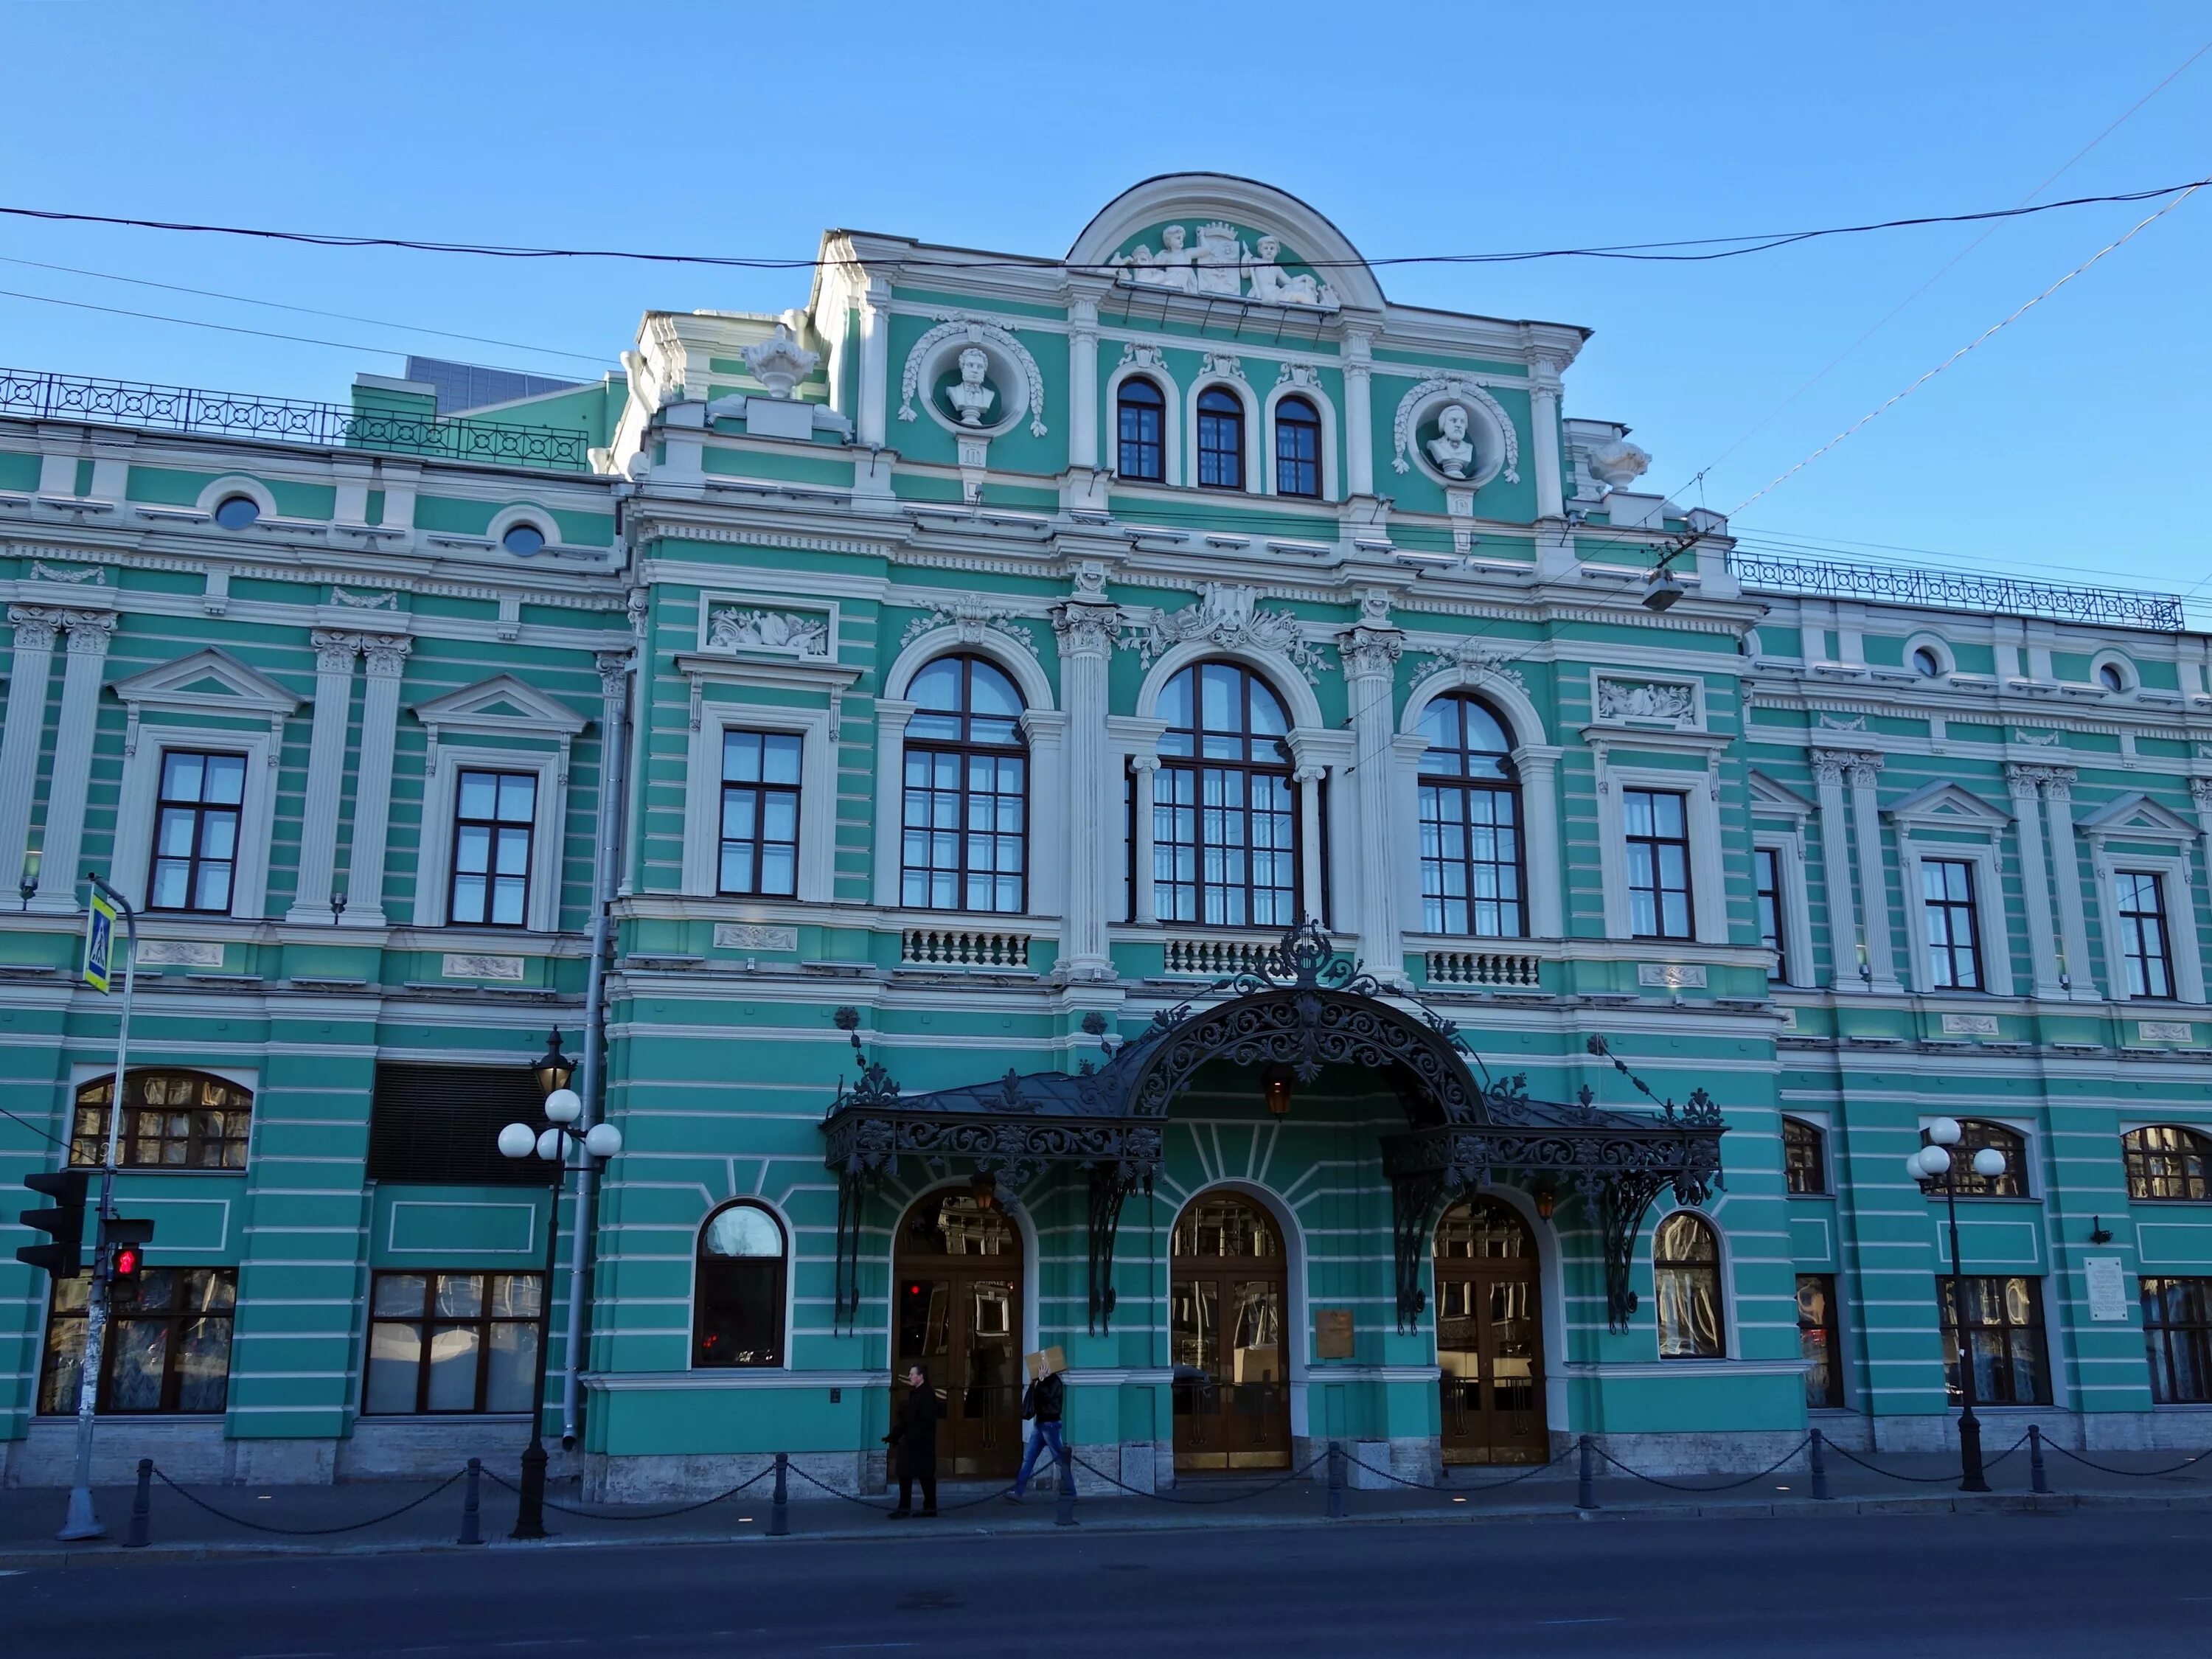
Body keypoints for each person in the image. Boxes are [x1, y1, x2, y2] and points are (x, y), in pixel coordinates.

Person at [1004, 1351, 1072, 1503]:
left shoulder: (1055, 1382)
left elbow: (1048, 1399)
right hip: (1041, 1425)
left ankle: (1071, 1492)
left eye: (1045, 1364)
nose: (1042, 1366)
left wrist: (1041, 1381)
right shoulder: (1044, 1381)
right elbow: (1036, 1402)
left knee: (1060, 1460)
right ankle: (1018, 1492)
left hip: (1051, 1425)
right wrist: (1034, 1384)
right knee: (1028, 1459)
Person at [883, 1364, 942, 1518]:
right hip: (914, 1442)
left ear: (921, 1376)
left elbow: (924, 1421)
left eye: (912, 1374)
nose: (909, 1377)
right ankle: (916, 1507)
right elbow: (908, 1419)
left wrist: (909, 1436)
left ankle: (925, 1508)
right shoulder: (916, 1394)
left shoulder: (927, 1395)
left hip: (921, 1443)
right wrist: (893, 1436)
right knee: (910, 1473)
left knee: (923, 1475)